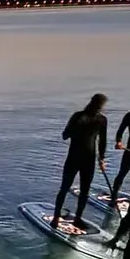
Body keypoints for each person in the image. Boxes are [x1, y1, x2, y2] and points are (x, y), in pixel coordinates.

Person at [52, 93, 108, 228]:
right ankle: (74, 218)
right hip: (88, 159)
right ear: (101, 106)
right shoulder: (101, 119)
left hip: (75, 157)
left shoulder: (78, 116)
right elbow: (102, 141)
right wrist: (102, 158)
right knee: (83, 190)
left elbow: (65, 135)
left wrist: (101, 159)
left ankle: (57, 218)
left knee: (66, 188)